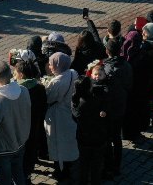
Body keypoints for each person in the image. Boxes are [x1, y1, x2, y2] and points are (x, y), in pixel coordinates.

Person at [0, 61, 32, 185]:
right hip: (20, 144)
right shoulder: (24, 91)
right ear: (11, 75)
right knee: (19, 175)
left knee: (4, 180)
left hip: (2, 151)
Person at [72, 62, 110, 185]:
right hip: (99, 138)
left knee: (83, 165)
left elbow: (75, 117)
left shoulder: (78, 103)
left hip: (84, 139)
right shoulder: (97, 97)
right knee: (96, 167)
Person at [12, 53, 47, 183]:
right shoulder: (40, 88)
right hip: (34, 127)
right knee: (31, 152)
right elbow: (44, 108)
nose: (14, 75)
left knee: (21, 155)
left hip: (20, 129)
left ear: (21, 75)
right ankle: (27, 176)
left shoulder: (17, 90)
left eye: (15, 73)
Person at [44, 52, 79, 180]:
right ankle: (69, 166)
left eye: (52, 64)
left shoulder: (57, 82)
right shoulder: (72, 73)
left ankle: (61, 172)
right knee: (69, 141)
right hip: (70, 113)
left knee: (58, 144)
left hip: (58, 117)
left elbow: (49, 98)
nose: (50, 66)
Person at [102, 37, 132, 179]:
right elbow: (129, 84)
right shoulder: (126, 65)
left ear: (107, 51)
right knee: (116, 137)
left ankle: (108, 166)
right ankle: (117, 165)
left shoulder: (106, 69)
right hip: (121, 104)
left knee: (107, 137)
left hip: (109, 107)